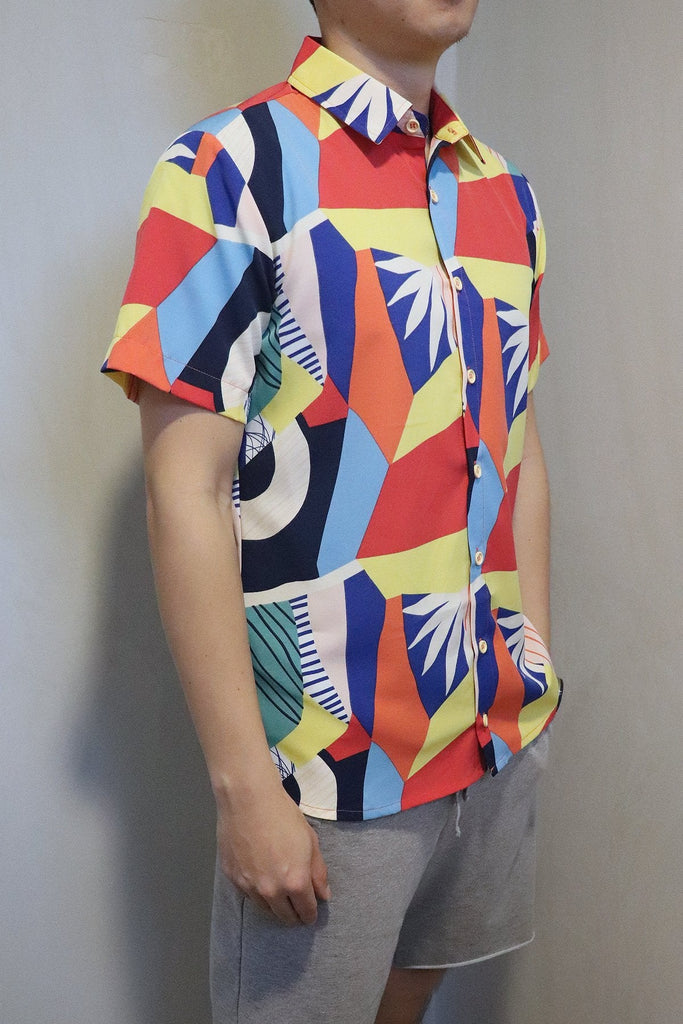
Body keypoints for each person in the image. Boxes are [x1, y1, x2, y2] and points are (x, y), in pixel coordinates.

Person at [102, 1, 562, 1021]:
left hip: (489, 730)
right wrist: (244, 789)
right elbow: (185, 487)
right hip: (325, 765)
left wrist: (534, 652)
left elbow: (516, 443)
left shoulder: (503, 192)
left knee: (411, 996)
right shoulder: (228, 167)